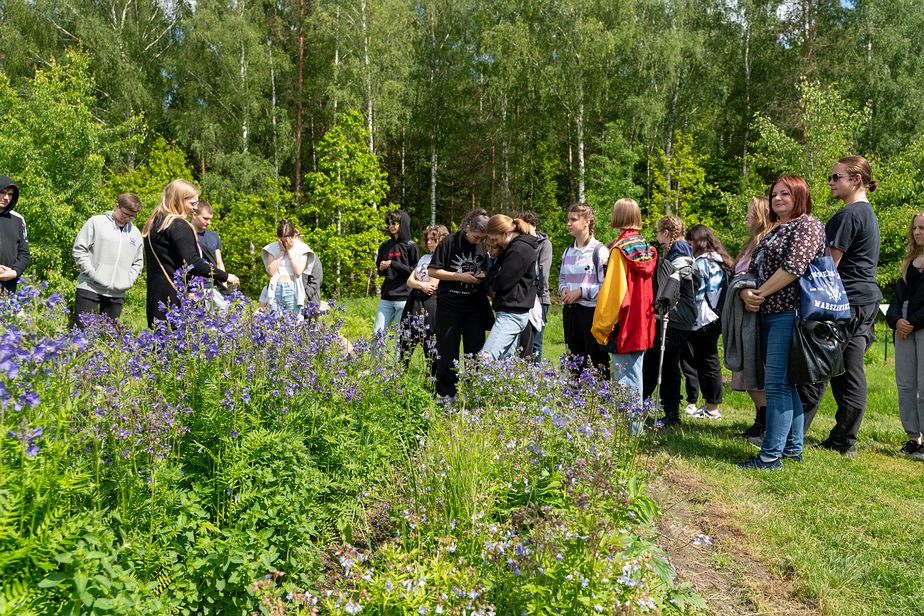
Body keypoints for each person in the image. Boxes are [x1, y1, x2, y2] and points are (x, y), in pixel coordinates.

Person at [737, 175, 825, 470]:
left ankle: (770, 456)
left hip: (792, 314)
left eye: (785, 194)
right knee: (786, 385)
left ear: (800, 195)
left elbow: (794, 267)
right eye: (774, 194)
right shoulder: (776, 230)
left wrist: (759, 292)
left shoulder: (809, 225)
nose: (777, 199)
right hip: (768, 313)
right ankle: (792, 450)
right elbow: (754, 268)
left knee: (776, 385)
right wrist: (747, 292)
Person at [798, 156, 882, 457]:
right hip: (865, 300)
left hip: (845, 302)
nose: (830, 182)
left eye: (836, 177)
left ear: (855, 179)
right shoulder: (868, 214)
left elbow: (827, 269)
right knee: (849, 371)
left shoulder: (847, 216)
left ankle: (792, 433)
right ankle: (844, 440)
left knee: (819, 364)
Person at [143, 179, 239, 328]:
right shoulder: (178, 225)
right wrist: (226, 276)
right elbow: (193, 263)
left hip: (157, 296)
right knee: (179, 347)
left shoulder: (155, 223)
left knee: (161, 346)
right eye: (192, 204)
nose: (195, 209)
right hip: (176, 300)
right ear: (179, 200)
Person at [591, 198, 657, 405]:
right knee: (634, 376)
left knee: (625, 381)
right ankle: (633, 430)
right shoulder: (647, 247)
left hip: (625, 324)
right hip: (643, 322)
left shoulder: (620, 250)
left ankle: (629, 433)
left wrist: (601, 327)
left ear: (617, 216)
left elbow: (613, 294)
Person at [428, 208, 491, 397]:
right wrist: (458, 276)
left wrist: (483, 275)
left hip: (475, 307)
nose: (478, 242)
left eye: (482, 238)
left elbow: (490, 268)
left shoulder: (484, 245)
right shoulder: (449, 242)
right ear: (467, 228)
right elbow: (433, 271)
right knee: (447, 353)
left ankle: (473, 394)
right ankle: (446, 395)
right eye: (476, 237)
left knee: (475, 353)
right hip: (450, 306)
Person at [642, 215, 698, 426]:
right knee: (666, 365)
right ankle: (668, 410)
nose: (657, 236)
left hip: (675, 316)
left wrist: (665, 303)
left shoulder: (680, 249)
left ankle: (658, 409)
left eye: (658, 232)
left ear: (666, 232)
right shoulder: (676, 249)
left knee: (659, 363)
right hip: (677, 315)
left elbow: (681, 276)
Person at [731, 197, 776, 443]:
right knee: (749, 370)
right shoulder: (752, 242)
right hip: (745, 312)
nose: (748, 217)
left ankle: (767, 420)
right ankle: (761, 417)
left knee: (756, 369)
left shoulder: (766, 241)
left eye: (751, 213)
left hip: (758, 314)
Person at [683, 224, 734, 420]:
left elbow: (698, 294)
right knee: (708, 360)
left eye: (690, 242)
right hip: (717, 316)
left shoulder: (703, 262)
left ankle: (712, 408)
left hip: (704, 318)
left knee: (708, 362)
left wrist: (688, 317)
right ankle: (709, 405)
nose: (688, 245)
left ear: (698, 241)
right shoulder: (720, 260)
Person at [886, 213, 924, 460]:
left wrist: (912, 321)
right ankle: (913, 437)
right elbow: (897, 297)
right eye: (915, 228)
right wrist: (896, 320)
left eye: (922, 228)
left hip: (920, 325)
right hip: (904, 328)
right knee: (906, 384)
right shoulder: (909, 260)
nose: (918, 232)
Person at [71, 193, 144, 323]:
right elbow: (79, 249)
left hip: (116, 293)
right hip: (89, 288)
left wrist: (129, 280)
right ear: (117, 206)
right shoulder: (96, 222)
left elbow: (138, 262)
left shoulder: (135, 233)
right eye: (125, 214)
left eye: (132, 216)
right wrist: (92, 274)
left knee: (108, 338)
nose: (128, 218)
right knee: (83, 336)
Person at [558, 203, 610, 377]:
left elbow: (605, 287)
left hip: (591, 314)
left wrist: (581, 292)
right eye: (568, 219)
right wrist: (564, 290)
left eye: (573, 219)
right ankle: (574, 399)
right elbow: (562, 279)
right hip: (570, 313)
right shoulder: (567, 251)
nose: (569, 223)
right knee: (574, 359)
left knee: (596, 360)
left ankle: (600, 400)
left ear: (587, 222)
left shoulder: (600, 251)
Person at [481, 215, 539, 360]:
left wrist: (490, 278)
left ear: (506, 233)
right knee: (506, 363)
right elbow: (497, 273)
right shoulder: (512, 248)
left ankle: (478, 382)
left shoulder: (519, 250)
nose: (495, 243)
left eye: (495, 239)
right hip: (510, 310)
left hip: (511, 312)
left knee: (486, 357)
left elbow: (502, 282)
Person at [400, 224, 449, 374]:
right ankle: (400, 377)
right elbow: (409, 281)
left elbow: (433, 285)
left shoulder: (444, 259)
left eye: (433, 239)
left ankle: (432, 382)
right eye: (427, 239)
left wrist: (417, 284)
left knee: (430, 344)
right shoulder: (424, 257)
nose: (429, 242)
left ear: (441, 239)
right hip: (413, 302)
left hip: (431, 304)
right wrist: (420, 285)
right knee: (406, 341)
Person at [374, 210, 419, 334]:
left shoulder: (411, 246)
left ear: (403, 224)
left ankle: (399, 355)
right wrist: (381, 268)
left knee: (401, 336)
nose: (391, 226)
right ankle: (376, 354)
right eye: (390, 223)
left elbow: (414, 272)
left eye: (395, 223)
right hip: (386, 296)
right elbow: (380, 270)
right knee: (377, 334)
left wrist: (393, 264)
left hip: (404, 297)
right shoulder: (385, 245)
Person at [515, 212, 552, 363]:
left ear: (534, 226)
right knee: (521, 343)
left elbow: (543, 271)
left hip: (540, 298)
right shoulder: (517, 242)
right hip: (521, 297)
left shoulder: (544, 244)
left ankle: (534, 377)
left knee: (535, 342)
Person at [262, 219, 314, 316]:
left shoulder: (302, 248)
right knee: (274, 322)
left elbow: (298, 271)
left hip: (293, 288)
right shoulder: (272, 248)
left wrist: (289, 251)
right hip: (276, 288)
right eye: (281, 240)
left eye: (286, 240)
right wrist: (281, 252)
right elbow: (271, 272)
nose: (284, 243)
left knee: (295, 322)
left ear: (293, 236)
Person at [189, 200, 230, 310]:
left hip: (215, 288)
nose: (208, 222)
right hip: (195, 289)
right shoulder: (186, 235)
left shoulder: (213, 236)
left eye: (210, 219)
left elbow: (219, 262)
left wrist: (224, 284)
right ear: (194, 215)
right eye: (205, 218)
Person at [0, 176, 30, 294]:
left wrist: (14, 272)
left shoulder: (18, 219)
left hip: (9, 285)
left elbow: (24, 254)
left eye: (10, 194)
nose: (6, 197)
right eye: (2, 192)